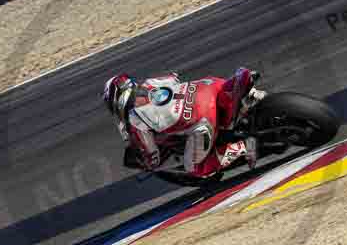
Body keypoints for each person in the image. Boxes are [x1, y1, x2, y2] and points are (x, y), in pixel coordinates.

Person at [102, 68, 266, 179]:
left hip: (202, 118)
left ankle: (245, 147)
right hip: (208, 87)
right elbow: (174, 76)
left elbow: (153, 155)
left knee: (194, 167)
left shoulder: (135, 119)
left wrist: (148, 164)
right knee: (224, 91)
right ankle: (252, 97)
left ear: (116, 102)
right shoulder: (150, 82)